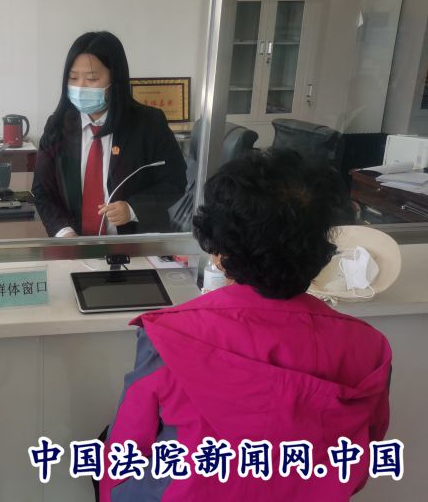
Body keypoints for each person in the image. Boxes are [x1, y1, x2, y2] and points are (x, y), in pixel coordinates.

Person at [100, 149, 392, 501]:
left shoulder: (169, 336)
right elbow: (362, 453)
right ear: (320, 247)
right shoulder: (369, 347)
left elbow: (125, 453)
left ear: (219, 251)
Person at [32, 31, 186, 237]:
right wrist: (63, 232)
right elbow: (43, 190)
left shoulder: (149, 124)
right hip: (74, 245)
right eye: (73, 77)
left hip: (134, 244)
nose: (80, 87)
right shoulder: (57, 126)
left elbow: (175, 181)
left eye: (92, 78)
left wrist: (133, 209)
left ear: (115, 79)